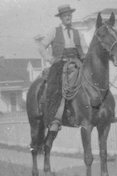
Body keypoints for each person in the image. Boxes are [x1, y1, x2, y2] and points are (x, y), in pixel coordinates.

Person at [36, 4, 88, 132]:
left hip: (77, 63)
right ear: (61, 18)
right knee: (56, 87)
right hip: (60, 64)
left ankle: (94, 114)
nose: (68, 17)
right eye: (65, 15)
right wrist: (50, 59)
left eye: (69, 15)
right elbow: (41, 46)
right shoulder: (54, 31)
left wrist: (85, 59)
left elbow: (85, 50)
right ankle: (55, 119)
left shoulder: (77, 33)